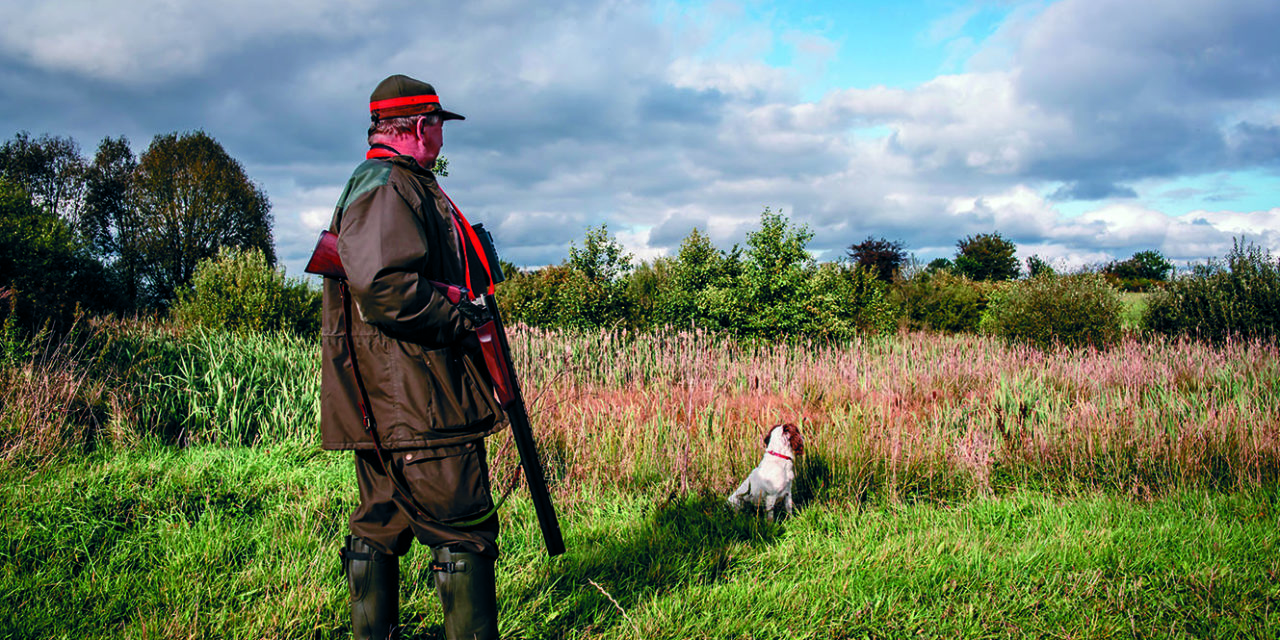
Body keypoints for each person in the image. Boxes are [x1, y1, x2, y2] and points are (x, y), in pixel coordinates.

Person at [321, 74, 506, 640]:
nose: (443, 141)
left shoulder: (388, 182)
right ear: (420, 127)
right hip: (422, 400)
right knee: (464, 528)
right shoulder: (387, 186)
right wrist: (460, 319)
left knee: (381, 522)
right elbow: (384, 288)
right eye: (440, 128)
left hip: (390, 401)